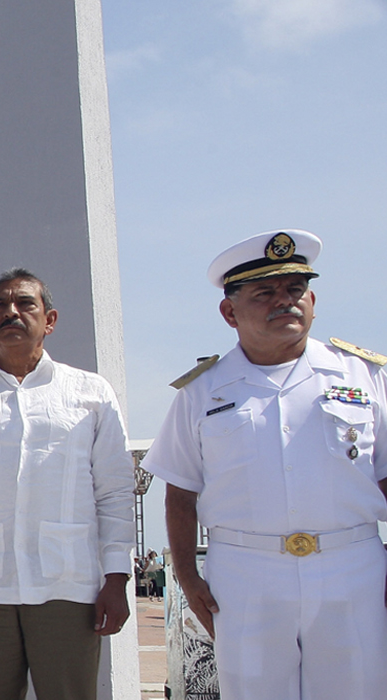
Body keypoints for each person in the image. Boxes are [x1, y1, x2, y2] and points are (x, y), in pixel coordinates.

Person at [142, 229, 387, 699]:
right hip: (246, 574)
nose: (285, 301)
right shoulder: (201, 392)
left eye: (296, 289)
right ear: (229, 312)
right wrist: (188, 578)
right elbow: (180, 491)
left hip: (352, 566)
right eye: (265, 292)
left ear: (312, 299)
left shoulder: (363, 375)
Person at [0, 269, 134, 700]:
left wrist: (118, 577)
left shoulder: (89, 393)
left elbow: (114, 491)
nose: (10, 313)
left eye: (24, 304)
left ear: (49, 320)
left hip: (68, 584)